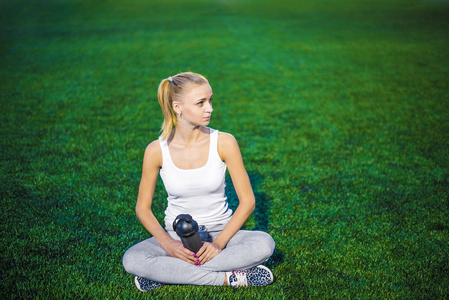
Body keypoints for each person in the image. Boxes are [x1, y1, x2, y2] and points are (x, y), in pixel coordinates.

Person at [122, 72, 275, 291]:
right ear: (178, 107)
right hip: (176, 238)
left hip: (222, 234)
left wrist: (219, 244)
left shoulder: (224, 142)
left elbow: (248, 202)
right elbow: (142, 208)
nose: (210, 108)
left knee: (264, 244)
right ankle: (229, 278)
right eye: (201, 103)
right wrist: (170, 245)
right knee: (132, 259)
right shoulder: (156, 150)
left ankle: (168, 273)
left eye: (210, 100)